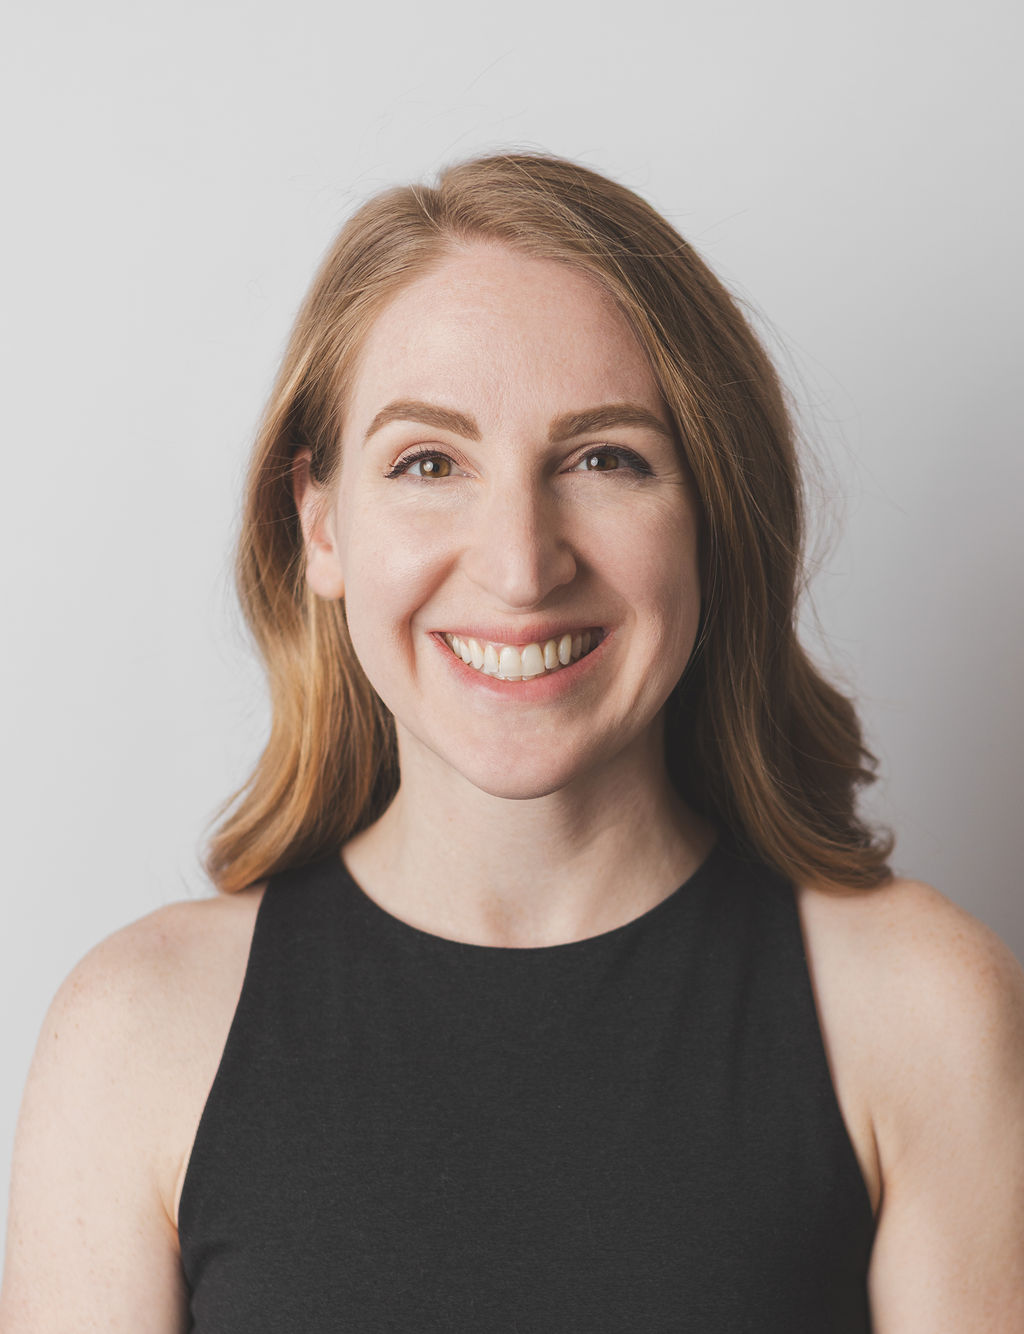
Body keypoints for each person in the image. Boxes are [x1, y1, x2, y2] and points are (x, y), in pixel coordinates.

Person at [2, 151, 1022, 1332]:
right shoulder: (134, 1033)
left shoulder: (920, 1009)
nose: (521, 565)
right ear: (319, 522)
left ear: (712, 513)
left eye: (604, 458)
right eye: (428, 462)